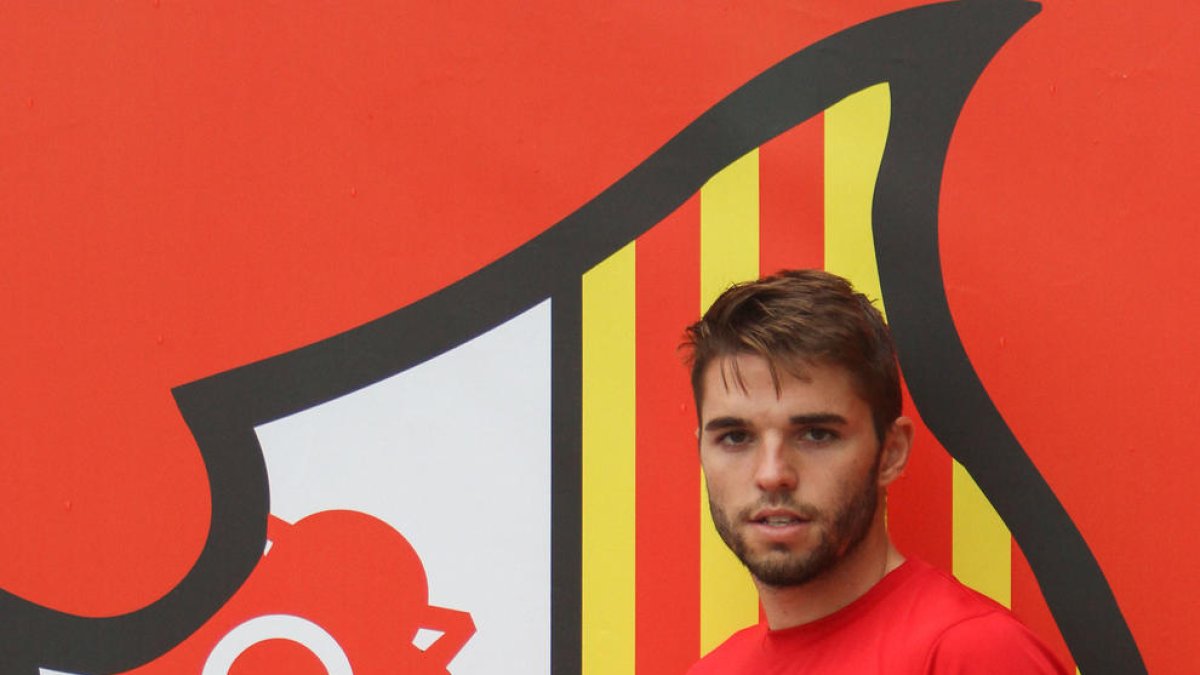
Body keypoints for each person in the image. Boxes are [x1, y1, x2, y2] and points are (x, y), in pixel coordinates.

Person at [684, 269, 1068, 674]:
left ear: (891, 452)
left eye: (816, 434)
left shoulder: (973, 653)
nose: (772, 473)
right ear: (701, 452)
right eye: (735, 437)